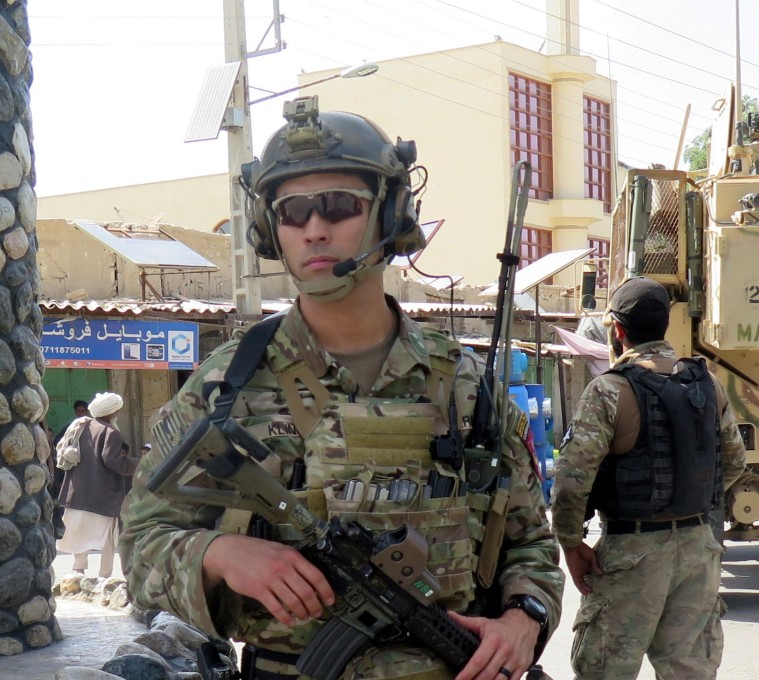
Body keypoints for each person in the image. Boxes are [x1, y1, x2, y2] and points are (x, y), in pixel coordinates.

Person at [120, 96, 563, 680]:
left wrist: (523, 620)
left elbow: (531, 543)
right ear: (269, 231)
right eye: (292, 211)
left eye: (338, 205)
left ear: (390, 215)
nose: (315, 229)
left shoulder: (465, 385)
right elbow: (142, 541)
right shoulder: (226, 385)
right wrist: (220, 555)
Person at [550, 276, 747, 680]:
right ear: (665, 326)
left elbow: (572, 482)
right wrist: (685, 500)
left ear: (618, 331)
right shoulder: (707, 383)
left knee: (605, 671)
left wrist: (571, 546)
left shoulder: (608, 390)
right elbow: (734, 461)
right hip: (697, 551)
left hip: (631, 553)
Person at [55, 392, 138, 578]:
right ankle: (104, 576)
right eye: (118, 410)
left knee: (78, 533)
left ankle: (78, 570)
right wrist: (140, 463)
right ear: (112, 412)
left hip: (76, 492)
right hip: (103, 496)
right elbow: (114, 462)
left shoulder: (81, 426)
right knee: (107, 537)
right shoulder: (111, 432)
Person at [49, 399, 89, 538]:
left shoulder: (93, 427)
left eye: (83, 411)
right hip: (72, 472)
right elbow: (59, 450)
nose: (80, 413)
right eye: (78, 411)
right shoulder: (69, 429)